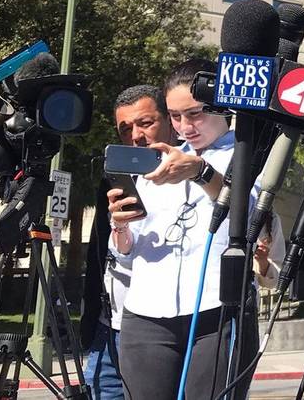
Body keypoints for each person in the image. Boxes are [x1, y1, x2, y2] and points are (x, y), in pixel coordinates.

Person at [107, 59, 259, 399]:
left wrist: (201, 172)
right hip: (146, 314)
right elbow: (126, 254)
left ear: (221, 106)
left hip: (216, 311)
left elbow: (251, 216)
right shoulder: (162, 157)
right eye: (175, 116)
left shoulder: (247, 153)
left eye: (194, 114)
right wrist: (120, 226)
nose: (185, 126)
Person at [83, 85, 171, 399]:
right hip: (108, 328)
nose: (135, 136)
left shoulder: (190, 181)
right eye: (125, 129)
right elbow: (100, 254)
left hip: (158, 332)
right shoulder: (114, 181)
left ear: (169, 120)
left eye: (145, 123)